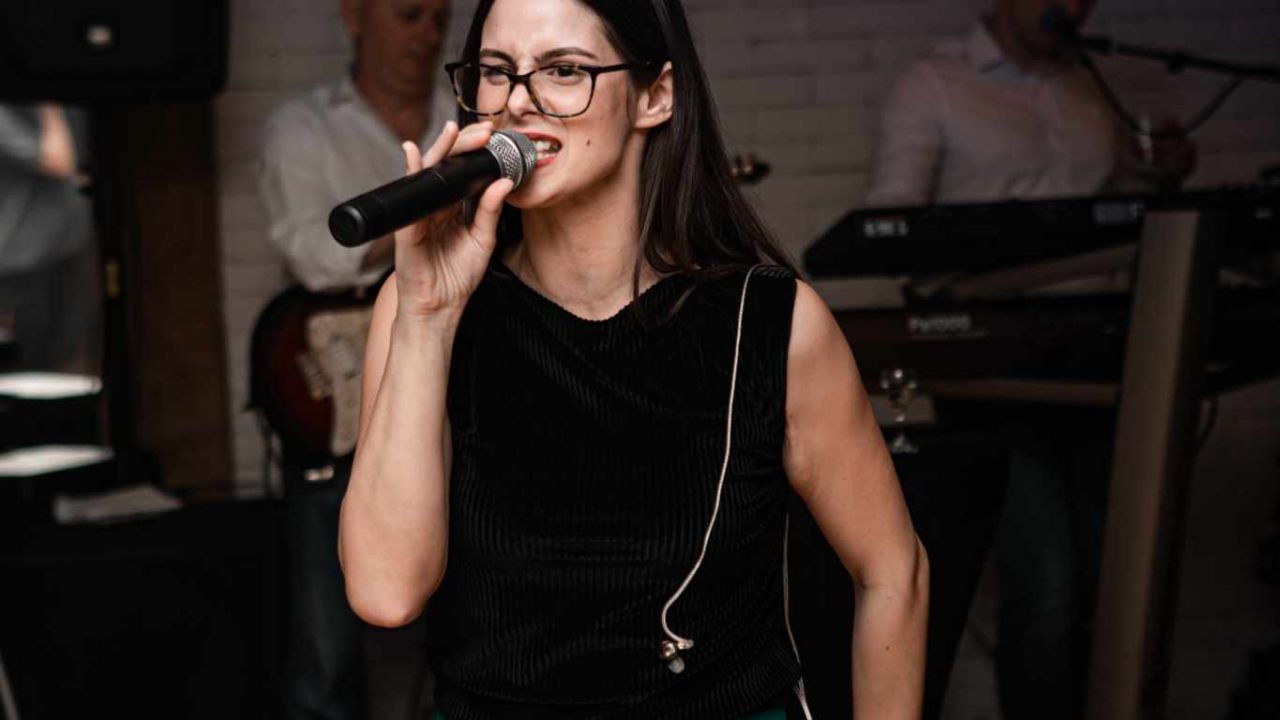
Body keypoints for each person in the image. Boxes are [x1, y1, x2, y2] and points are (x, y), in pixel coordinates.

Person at [337, 0, 929, 717]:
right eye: (495, 72)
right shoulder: (419, 306)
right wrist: (428, 318)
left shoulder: (770, 322)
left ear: (656, 96)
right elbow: (385, 594)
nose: (518, 102)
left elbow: (893, 570)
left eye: (563, 71)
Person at [866, 1, 1195, 718]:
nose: (1069, 5)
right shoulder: (936, 82)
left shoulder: (1087, 85)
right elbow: (890, 223)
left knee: (1116, 586)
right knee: (1047, 587)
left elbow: (1105, 220)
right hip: (995, 375)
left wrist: (1152, 182)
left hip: (1103, 362)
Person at [255, 0, 454, 717]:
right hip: (333, 403)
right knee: (327, 645)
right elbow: (315, 254)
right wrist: (425, 213)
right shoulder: (302, 127)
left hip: (455, 395)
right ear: (354, 17)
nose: (427, 34)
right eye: (408, 14)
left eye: (439, 18)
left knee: (457, 630)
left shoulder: (467, 117)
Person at [0, 103, 96, 373]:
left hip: (63, 245)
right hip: (19, 257)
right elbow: (58, 158)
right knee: (29, 363)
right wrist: (49, 109)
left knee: (63, 352)